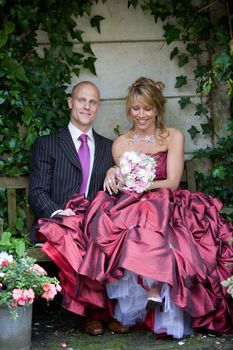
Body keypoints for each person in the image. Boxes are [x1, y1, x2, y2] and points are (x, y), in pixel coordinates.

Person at [37, 77, 233, 339]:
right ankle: (134, 298)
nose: (141, 115)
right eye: (136, 109)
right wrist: (114, 172)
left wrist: (143, 184)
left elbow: (173, 182)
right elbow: (117, 181)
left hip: (165, 202)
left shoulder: (172, 137)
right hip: (131, 205)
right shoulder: (119, 144)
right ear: (129, 110)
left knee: (152, 218)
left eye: (148, 108)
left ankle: (154, 289)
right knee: (126, 221)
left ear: (157, 109)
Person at [29, 81, 129, 335]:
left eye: (93, 102)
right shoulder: (47, 144)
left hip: (93, 221)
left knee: (111, 234)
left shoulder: (109, 148)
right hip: (56, 222)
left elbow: (115, 192)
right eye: (82, 100)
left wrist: (116, 172)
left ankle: (111, 311)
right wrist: (58, 212)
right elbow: (37, 192)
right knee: (78, 235)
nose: (87, 106)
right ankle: (94, 313)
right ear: (70, 102)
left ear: (98, 108)